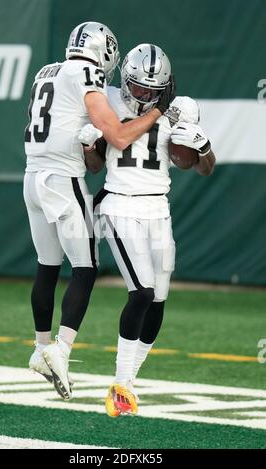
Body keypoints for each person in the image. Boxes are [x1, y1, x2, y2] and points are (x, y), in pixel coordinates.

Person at [23, 23, 172, 401]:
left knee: (47, 266)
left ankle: (41, 348)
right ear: (101, 50)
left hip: (32, 176)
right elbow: (119, 137)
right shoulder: (86, 71)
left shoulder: (47, 71)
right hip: (62, 178)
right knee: (86, 268)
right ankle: (61, 349)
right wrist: (159, 112)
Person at [78, 43, 216, 417]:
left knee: (158, 300)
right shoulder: (106, 101)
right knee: (141, 292)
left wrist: (204, 150)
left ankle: (128, 385)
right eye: (136, 87)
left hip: (158, 207)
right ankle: (120, 383)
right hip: (119, 203)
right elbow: (93, 166)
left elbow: (193, 165)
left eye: (150, 90)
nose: (141, 95)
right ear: (125, 79)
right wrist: (90, 146)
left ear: (165, 87)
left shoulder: (180, 106)